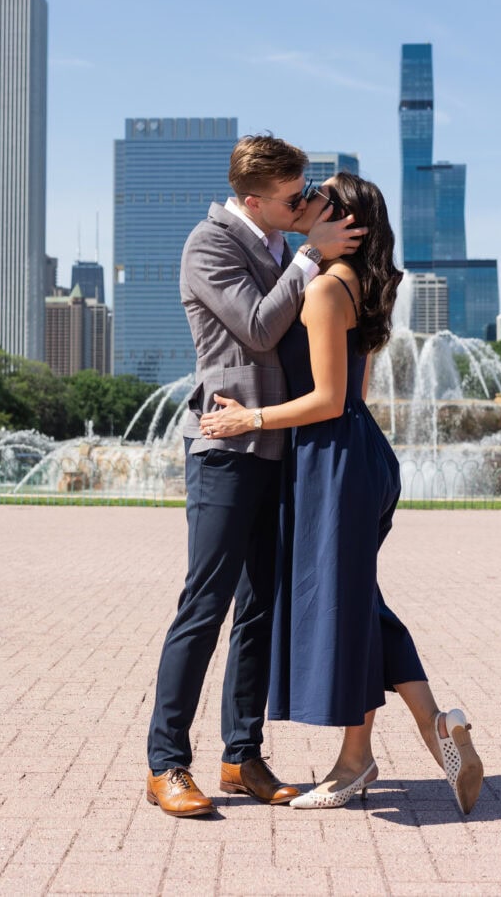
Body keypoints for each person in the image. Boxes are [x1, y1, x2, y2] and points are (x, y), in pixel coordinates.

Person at [199, 172, 484, 814]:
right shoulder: (358, 282)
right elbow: (353, 396)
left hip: (335, 458)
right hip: (350, 453)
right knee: (362, 600)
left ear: (344, 220)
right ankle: (436, 725)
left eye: (316, 197)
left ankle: (357, 761)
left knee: (351, 605)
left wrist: (251, 419)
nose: (303, 203)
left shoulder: (327, 288)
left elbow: (331, 399)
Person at [146, 137, 368, 817]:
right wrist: (307, 253)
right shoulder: (209, 244)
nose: (302, 205)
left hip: (280, 446)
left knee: (261, 608)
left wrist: (311, 248)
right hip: (225, 447)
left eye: (304, 194)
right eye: (291, 198)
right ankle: (167, 764)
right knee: (204, 603)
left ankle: (242, 755)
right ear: (253, 201)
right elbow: (257, 328)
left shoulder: (279, 244)